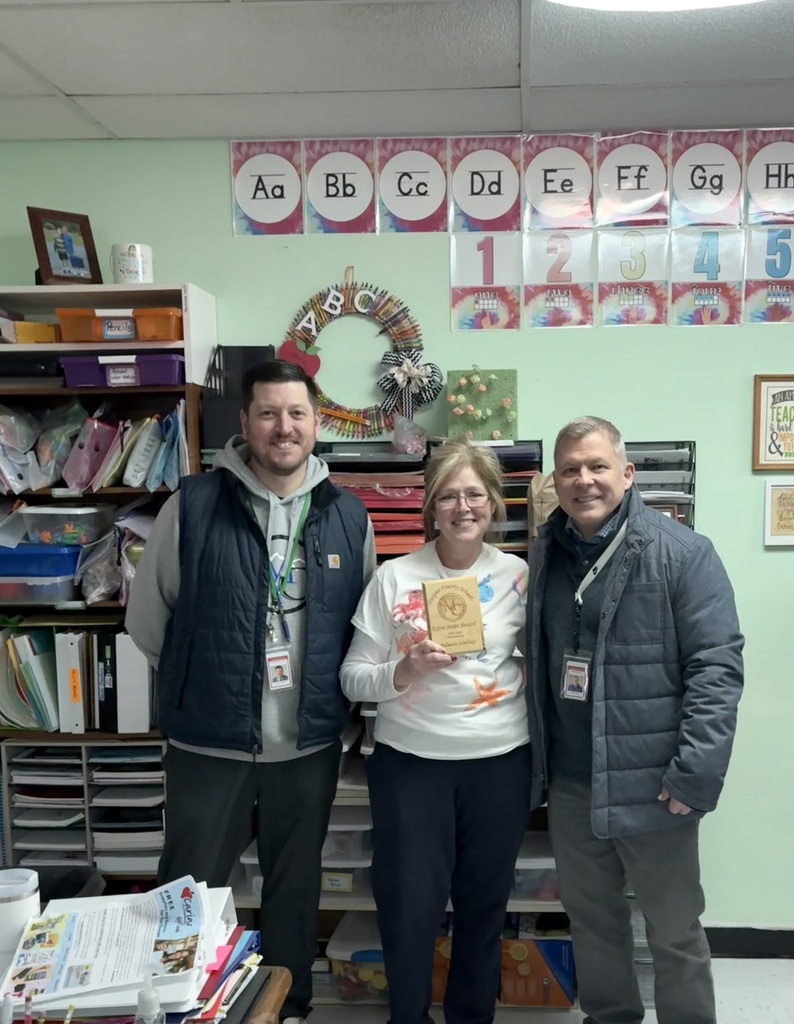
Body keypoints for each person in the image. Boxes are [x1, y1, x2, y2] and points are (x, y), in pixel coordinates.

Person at [126, 359, 375, 1023]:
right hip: (209, 745)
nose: (283, 427)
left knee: (294, 892)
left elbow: (362, 628)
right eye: (268, 413)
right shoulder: (193, 504)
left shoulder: (349, 517)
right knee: (189, 890)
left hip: (308, 746)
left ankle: (285, 1008)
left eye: (296, 414)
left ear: (316, 424)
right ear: (245, 423)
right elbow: (149, 624)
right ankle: (179, 1006)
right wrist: (208, 687)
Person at [525, 416, 744, 1024]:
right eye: (569, 469)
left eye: (597, 467)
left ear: (627, 474)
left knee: (673, 931)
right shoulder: (547, 553)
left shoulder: (682, 554)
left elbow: (717, 669)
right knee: (593, 925)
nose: (583, 480)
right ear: (556, 481)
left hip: (655, 787)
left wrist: (694, 776)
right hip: (572, 785)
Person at [340, 439, 531, 1024]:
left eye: (474, 494)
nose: (462, 507)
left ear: (495, 504)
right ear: (430, 507)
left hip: (500, 763)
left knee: (483, 907)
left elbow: (536, 664)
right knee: (408, 910)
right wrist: (404, 670)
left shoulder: (520, 576)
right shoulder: (394, 578)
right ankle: (408, 1017)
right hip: (411, 766)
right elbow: (352, 678)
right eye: (448, 495)